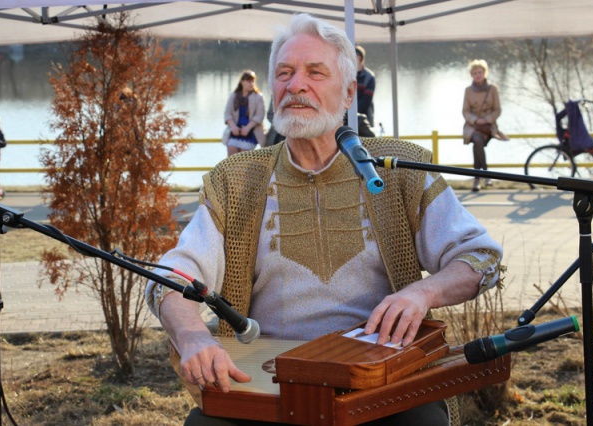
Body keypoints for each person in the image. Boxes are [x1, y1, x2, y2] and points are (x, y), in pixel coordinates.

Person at [146, 13, 503, 426]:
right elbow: (174, 274)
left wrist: (422, 294)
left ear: (349, 92)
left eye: (315, 72)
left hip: (380, 382)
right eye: (284, 73)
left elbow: (480, 257)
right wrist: (191, 335)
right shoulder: (236, 179)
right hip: (267, 384)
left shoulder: (398, 167)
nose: (296, 85)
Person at [462, 59, 508, 192]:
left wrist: (486, 119)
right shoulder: (468, 90)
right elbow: (465, 111)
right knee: (477, 139)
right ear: (472, 74)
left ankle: (478, 179)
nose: (478, 75)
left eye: (480, 72)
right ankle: (484, 175)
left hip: (488, 125)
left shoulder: (492, 89)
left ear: (485, 73)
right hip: (473, 126)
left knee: (478, 142)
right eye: (475, 72)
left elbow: (497, 109)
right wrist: (475, 120)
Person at [222, 70, 266, 157]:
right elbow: (227, 113)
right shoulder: (234, 96)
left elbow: (260, 116)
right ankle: (232, 171)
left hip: (251, 131)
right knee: (232, 153)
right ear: (242, 82)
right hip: (236, 131)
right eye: (248, 81)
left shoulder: (258, 97)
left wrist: (247, 128)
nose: (251, 84)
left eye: (253, 81)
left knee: (244, 156)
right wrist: (233, 127)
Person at [355, 45, 376, 130]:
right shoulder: (346, 76)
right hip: (348, 119)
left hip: (366, 121)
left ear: (359, 58)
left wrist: (351, 114)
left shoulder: (369, 77)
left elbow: (366, 102)